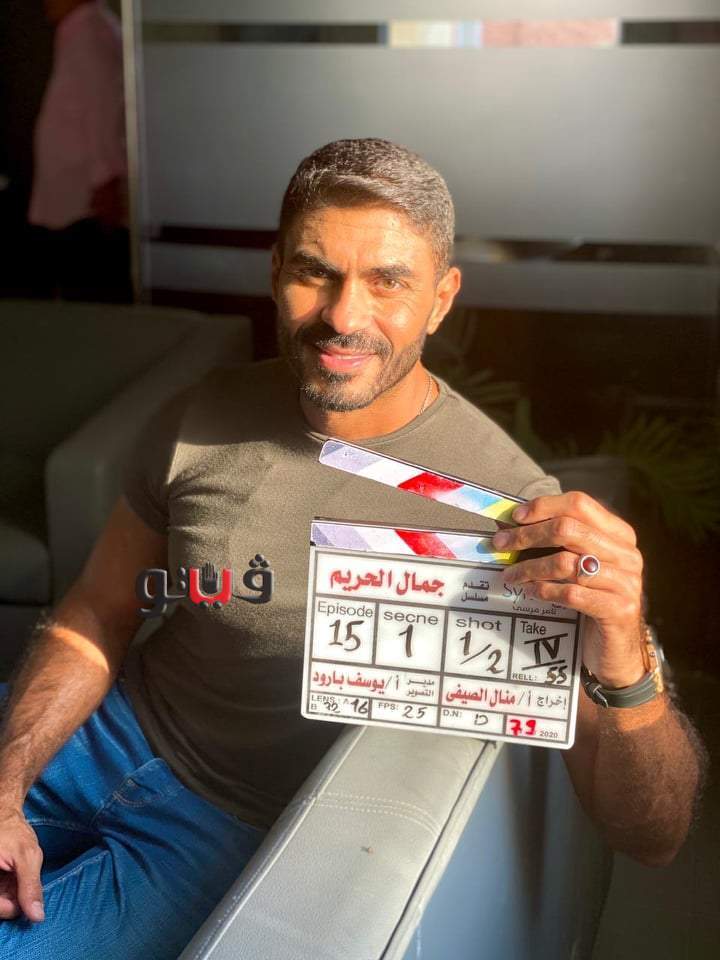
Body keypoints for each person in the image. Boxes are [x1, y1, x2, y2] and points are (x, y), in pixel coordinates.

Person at [0, 139, 706, 958]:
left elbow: (654, 834)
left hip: (228, 823)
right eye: (316, 272)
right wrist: (9, 777)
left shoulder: (513, 516)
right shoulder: (201, 414)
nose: (343, 315)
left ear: (441, 299)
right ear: (275, 272)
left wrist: (627, 663)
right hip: (105, 728)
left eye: (388, 281)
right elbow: (99, 609)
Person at [27, 0, 131, 302]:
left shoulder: (90, 32)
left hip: (85, 200)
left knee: (87, 288)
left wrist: (105, 179)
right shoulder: (78, 30)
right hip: (74, 196)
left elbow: (102, 109)